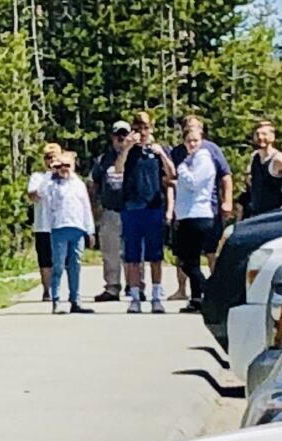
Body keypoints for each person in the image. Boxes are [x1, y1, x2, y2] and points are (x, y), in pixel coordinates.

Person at [168, 114, 231, 305]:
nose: (192, 144)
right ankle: (197, 299)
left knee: (192, 259)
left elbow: (195, 182)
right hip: (186, 214)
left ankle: (209, 289)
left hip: (201, 213)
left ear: (202, 138)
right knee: (189, 258)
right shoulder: (188, 156)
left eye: (195, 140)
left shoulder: (205, 156)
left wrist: (181, 171)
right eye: (189, 140)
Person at [120, 110, 178, 314]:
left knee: (155, 256)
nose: (141, 132)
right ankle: (135, 296)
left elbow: (172, 174)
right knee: (133, 257)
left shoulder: (159, 150)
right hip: (131, 206)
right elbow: (118, 169)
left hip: (153, 206)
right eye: (137, 128)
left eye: (145, 128)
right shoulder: (128, 150)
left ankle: (156, 295)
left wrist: (161, 153)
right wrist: (127, 147)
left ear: (151, 128)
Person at [36, 147, 97, 314]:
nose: (64, 169)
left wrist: (90, 231)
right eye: (61, 165)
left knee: (75, 265)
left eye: (67, 165)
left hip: (77, 228)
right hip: (59, 229)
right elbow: (41, 192)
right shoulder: (51, 184)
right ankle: (56, 300)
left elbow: (86, 207)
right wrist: (51, 172)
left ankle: (75, 300)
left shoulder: (78, 183)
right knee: (58, 266)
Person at [88, 122, 138, 303]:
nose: (121, 139)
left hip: (132, 210)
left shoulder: (136, 156)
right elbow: (93, 184)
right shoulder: (103, 159)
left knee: (133, 252)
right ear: (112, 137)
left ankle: (135, 286)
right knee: (110, 252)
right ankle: (112, 287)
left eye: (125, 135)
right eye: (118, 135)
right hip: (110, 211)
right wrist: (94, 211)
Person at [26, 142, 64, 293]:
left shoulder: (66, 176)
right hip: (43, 225)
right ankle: (47, 290)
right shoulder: (38, 177)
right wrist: (49, 176)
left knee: (61, 260)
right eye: (48, 157)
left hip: (61, 224)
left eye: (54, 157)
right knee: (45, 260)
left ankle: (60, 289)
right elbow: (33, 195)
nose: (50, 161)